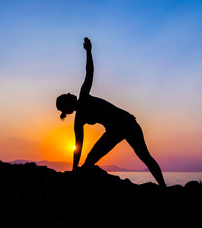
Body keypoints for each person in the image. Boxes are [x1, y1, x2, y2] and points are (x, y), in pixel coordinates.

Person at [56, 37, 166, 187]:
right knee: (90, 159)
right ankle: (82, 184)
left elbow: (90, 71)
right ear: (68, 106)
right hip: (114, 131)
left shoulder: (84, 97)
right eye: (67, 95)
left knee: (145, 157)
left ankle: (163, 187)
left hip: (127, 124)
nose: (69, 93)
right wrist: (74, 170)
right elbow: (78, 146)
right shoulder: (79, 116)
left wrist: (89, 51)